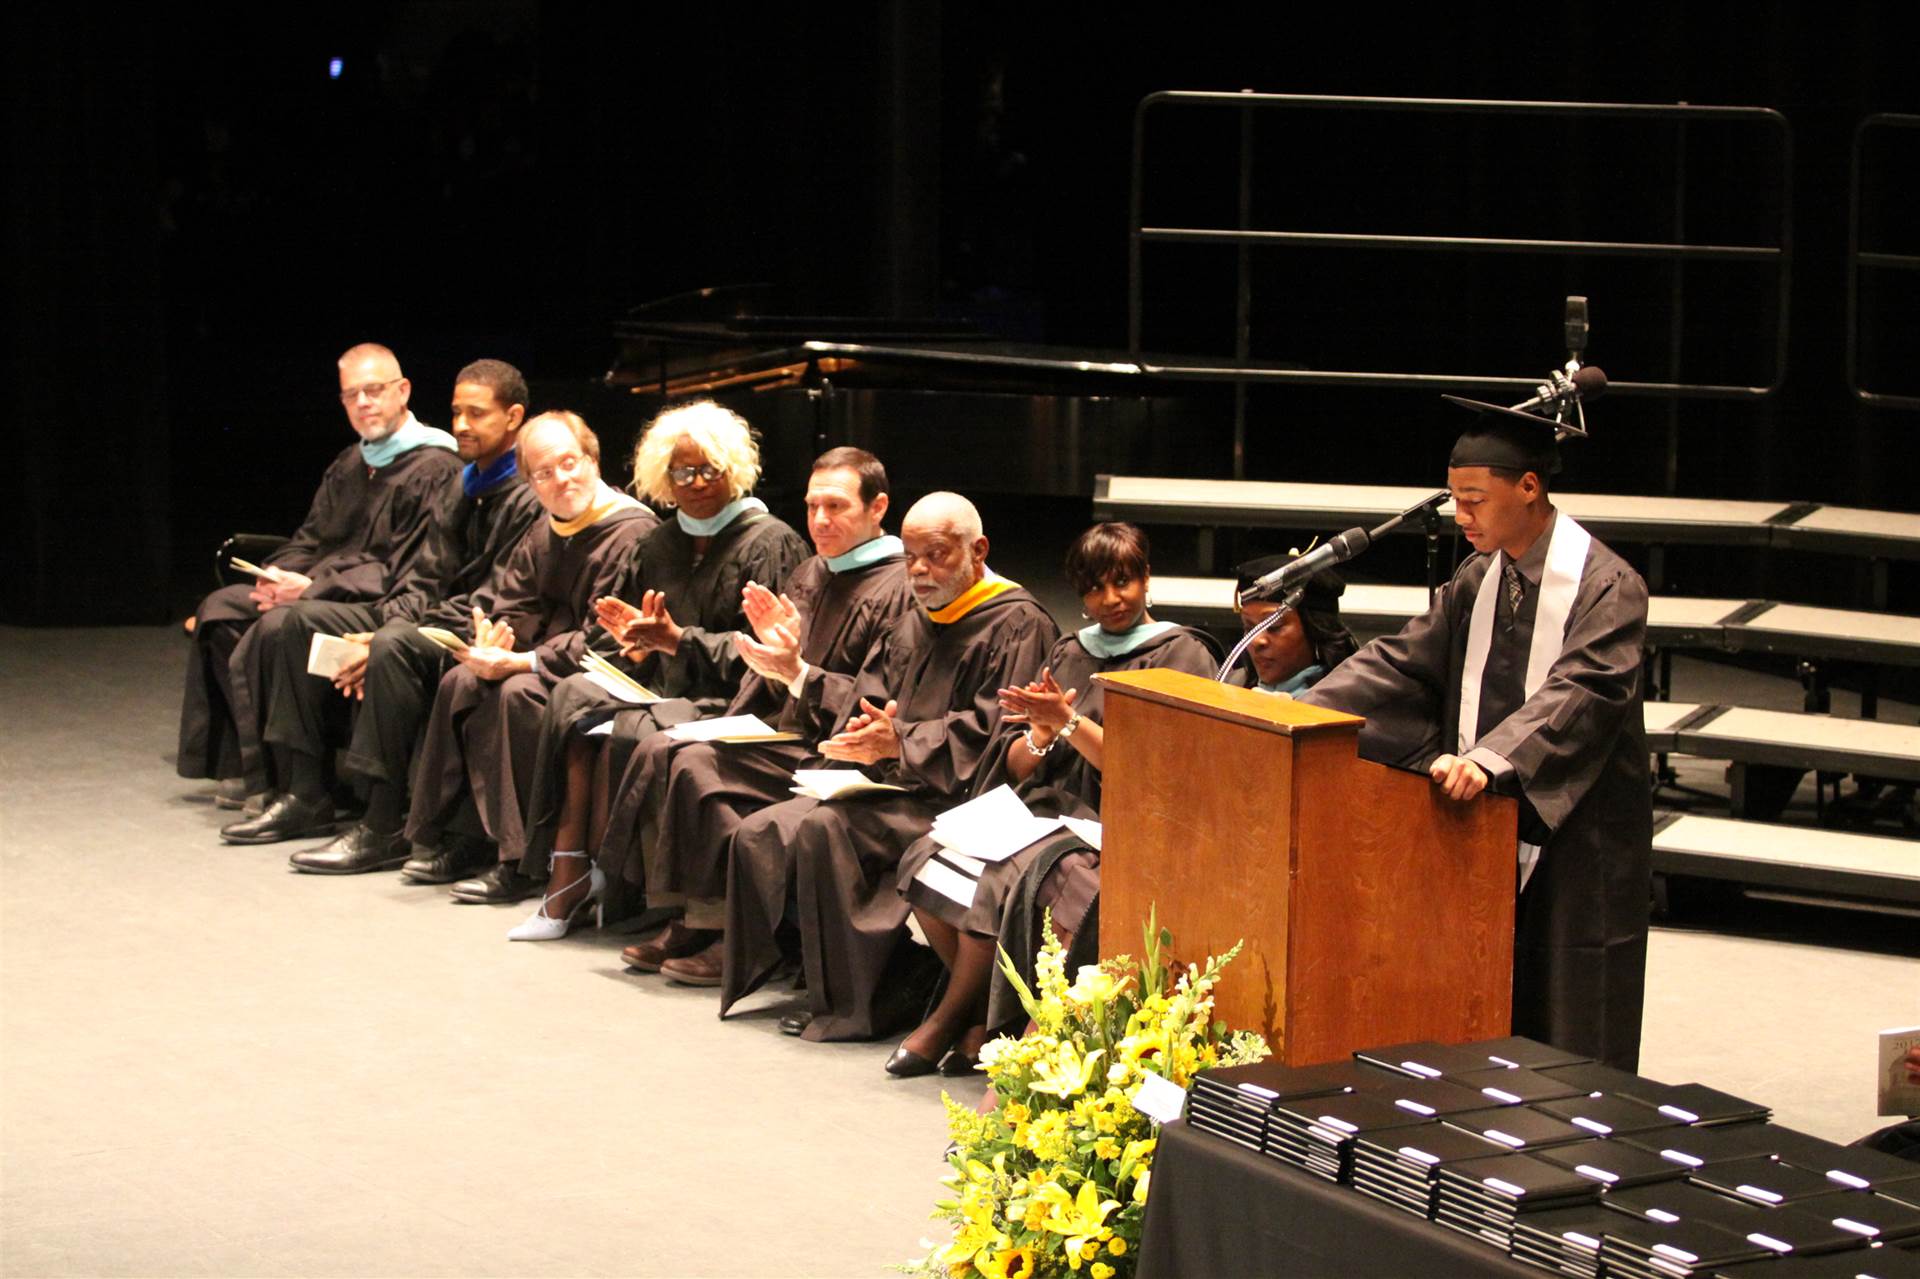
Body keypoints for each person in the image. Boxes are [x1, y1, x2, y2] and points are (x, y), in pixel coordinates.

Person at [1296, 407, 1652, 1070]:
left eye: (1474, 501)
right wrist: (1302, 710)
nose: (1462, 517)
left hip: (1577, 835)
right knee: (1483, 995)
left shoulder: (1608, 585)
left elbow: (1581, 691)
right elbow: (1401, 662)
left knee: (1572, 1012)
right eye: (1455, 501)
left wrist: (1493, 759)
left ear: (1528, 488)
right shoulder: (1477, 577)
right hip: (1485, 815)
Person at [509, 447, 916, 944]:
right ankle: (676, 912)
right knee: (656, 739)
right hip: (783, 719)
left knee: (682, 757)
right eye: (812, 507)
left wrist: (794, 673)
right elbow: (762, 664)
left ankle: (719, 930)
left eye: (836, 507)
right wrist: (669, 649)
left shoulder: (897, 587)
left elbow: (879, 698)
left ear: (877, 508)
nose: (820, 520)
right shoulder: (813, 571)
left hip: (835, 744)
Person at [705, 492, 1058, 1044]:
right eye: (911, 555)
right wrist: (853, 732)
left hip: (960, 798)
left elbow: (998, 731)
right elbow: (867, 701)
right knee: (762, 830)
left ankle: (868, 1000)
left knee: (825, 828)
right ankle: (841, 979)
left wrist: (902, 744)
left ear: (978, 549)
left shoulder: (1017, 623)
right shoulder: (914, 619)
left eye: (936, 555)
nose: (919, 570)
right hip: (894, 784)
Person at [443, 399, 807, 912]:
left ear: (734, 468)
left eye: (709, 469)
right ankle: (562, 863)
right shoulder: (660, 544)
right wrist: (637, 648)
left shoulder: (769, 542)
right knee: (573, 695)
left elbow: (769, 654)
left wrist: (679, 642)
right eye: (682, 471)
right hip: (662, 685)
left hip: (731, 699)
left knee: (631, 730)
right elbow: (633, 635)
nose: (697, 482)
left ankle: (624, 892)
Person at [890, 523, 1221, 1075]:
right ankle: (977, 1016)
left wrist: (1068, 724)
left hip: (1117, 821)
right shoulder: (1070, 651)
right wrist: (1040, 737)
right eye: (1094, 588)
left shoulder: (1181, 654)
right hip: (1046, 809)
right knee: (927, 856)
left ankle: (955, 1021)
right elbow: (1017, 763)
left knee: (1002, 876)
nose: (1110, 600)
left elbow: (1155, 771)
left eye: (1123, 582)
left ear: (1146, 578)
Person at [219, 360, 544, 856]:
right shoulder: (463, 484)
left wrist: (386, 636)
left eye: (476, 414)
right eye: (456, 412)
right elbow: (424, 576)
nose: (460, 425)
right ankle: (305, 791)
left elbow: (498, 597)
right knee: (296, 621)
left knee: (392, 644)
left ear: (514, 416)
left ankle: (384, 822)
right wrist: (393, 622)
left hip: (487, 630)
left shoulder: (527, 495)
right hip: (427, 615)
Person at [177, 343, 458, 807]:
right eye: (352, 395)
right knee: (222, 608)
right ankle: (254, 764)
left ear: (403, 391)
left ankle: (299, 781)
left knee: (282, 622)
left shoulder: (436, 467)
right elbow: (310, 538)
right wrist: (277, 576)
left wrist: (312, 589)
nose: (364, 403)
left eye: (374, 390)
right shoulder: (352, 463)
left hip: (376, 604)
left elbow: (404, 570)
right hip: (318, 592)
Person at [400, 411, 657, 890]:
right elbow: (510, 602)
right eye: (543, 473)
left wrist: (521, 660)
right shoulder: (545, 530)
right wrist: (493, 640)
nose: (561, 480)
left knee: (518, 693)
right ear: (530, 483)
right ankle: (466, 837)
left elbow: (608, 637)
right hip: (541, 663)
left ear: (593, 460)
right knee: (463, 679)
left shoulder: (632, 533)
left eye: (569, 463)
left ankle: (522, 861)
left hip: (613, 673)